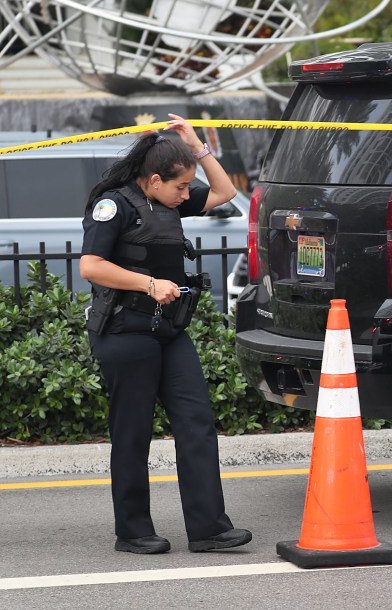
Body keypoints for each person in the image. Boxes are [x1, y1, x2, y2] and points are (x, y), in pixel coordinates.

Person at [80, 114, 251, 554]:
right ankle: (133, 531)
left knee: (196, 424)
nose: (185, 195)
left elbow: (225, 192)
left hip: (170, 331)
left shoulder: (171, 201)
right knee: (133, 433)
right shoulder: (113, 206)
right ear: (154, 180)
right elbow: (91, 266)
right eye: (179, 187)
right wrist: (148, 284)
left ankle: (209, 528)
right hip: (125, 331)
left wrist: (197, 146)